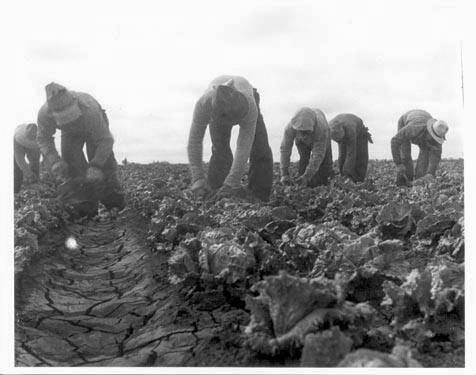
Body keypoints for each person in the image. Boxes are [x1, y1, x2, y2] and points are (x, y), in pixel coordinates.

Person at [37, 82, 125, 210]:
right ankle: (85, 208)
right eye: (65, 118)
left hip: (92, 128)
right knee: (72, 165)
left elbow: (105, 140)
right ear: (52, 114)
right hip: (69, 133)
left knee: (104, 166)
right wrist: (54, 160)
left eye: (71, 116)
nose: (71, 121)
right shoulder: (44, 115)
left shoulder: (90, 109)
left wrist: (96, 165)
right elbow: (43, 139)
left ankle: (115, 205)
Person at [187, 75, 273, 201]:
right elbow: (194, 141)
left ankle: (259, 197)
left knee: (260, 147)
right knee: (220, 149)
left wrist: (233, 181)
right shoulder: (203, 105)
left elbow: (244, 146)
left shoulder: (249, 107)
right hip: (217, 105)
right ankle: (216, 194)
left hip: (249, 96)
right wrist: (197, 177)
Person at [391, 109, 448, 186]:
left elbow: (436, 156)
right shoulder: (413, 128)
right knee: (405, 155)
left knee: (425, 157)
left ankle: (417, 184)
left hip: (423, 120)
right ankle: (403, 184)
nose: (434, 140)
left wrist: (430, 173)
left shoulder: (438, 136)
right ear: (429, 131)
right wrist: (398, 163)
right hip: (406, 121)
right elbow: (394, 141)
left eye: (435, 139)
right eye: (432, 138)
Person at [280, 107, 333, 187]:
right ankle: (302, 184)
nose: (304, 136)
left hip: (322, 135)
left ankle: (324, 184)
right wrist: (284, 174)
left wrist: (307, 176)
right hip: (300, 141)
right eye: (301, 132)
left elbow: (318, 155)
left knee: (325, 163)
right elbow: (285, 149)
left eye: (306, 132)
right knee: (304, 159)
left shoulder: (322, 129)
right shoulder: (290, 128)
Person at [329, 113, 373, 182]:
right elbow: (341, 155)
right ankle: (343, 176)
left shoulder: (350, 129)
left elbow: (351, 153)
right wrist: (342, 173)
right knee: (342, 155)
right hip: (342, 132)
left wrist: (347, 172)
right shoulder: (329, 129)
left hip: (360, 132)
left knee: (360, 156)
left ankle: (358, 180)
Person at [14, 123, 40, 193]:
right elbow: (20, 159)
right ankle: (16, 190)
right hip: (18, 144)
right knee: (16, 167)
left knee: (35, 164)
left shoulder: (40, 138)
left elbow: (37, 160)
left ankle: (35, 187)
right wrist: (29, 174)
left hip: (34, 145)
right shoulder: (18, 137)